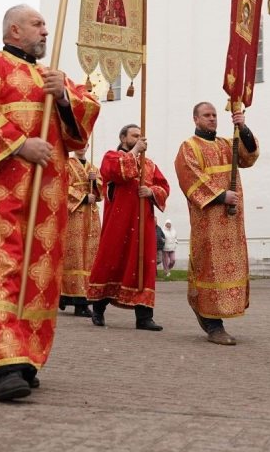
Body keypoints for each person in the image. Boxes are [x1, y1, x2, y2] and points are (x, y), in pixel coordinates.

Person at [0, 4, 99, 401]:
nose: (45, 31)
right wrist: (18, 143)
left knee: (37, 274)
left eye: (47, 24)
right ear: (14, 30)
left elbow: (81, 128)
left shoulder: (53, 78)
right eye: (37, 24)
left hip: (46, 195)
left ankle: (26, 358)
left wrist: (64, 99)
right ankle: (1, 362)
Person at [173, 102, 259, 346]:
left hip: (231, 219)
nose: (212, 119)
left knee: (230, 266)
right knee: (209, 266)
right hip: (208, 219)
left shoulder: (225, 143)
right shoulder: (189, 147)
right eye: (206, 115)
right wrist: (221, 196)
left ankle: (218, 314)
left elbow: (248, 156)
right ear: (195, 119)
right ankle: (211, 322)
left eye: (214, 115)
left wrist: (243, 129)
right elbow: (188, 176)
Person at [87, 124, 170, 331]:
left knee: (144, 266)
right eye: (135, 135)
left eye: (142, 136)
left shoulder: (149, 164)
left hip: (144, 224)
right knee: (111, 262)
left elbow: (164, 186)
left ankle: (144, 316)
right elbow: (116, 172)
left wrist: (151, 192)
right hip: (119, 223)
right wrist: (134, 152)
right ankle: (98, 308)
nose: (140, 138)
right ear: (124, 138)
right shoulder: (111, 157)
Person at [59, 147, 101, 317]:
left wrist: (94, 183)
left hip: (91, 217)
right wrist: (83, 197)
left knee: (90, 257)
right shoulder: (67, 164)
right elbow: (62, 185)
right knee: (75, 256)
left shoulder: (93, 168)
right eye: (79, 143)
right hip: (74, 215)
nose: (83, 147)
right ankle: (76, 300)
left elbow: (100, 192)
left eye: (85, 144)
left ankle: (86, 297)